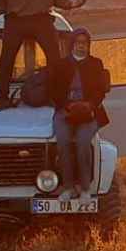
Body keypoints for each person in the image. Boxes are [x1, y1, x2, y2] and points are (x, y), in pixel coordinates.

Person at [51, 28, 110, 200]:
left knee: (84, 142)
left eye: (84, 43)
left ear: (88, 45)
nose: (81, 47)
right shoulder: (60, 65)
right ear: (72, 45)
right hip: (65, 111)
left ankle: (85, 188)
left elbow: (101, 91)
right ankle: (68, 187)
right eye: (78, 43)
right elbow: (53, 91)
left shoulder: (96, 64)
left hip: (89, 112)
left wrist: (89, 105)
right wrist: (66, 106)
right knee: (62, 142)